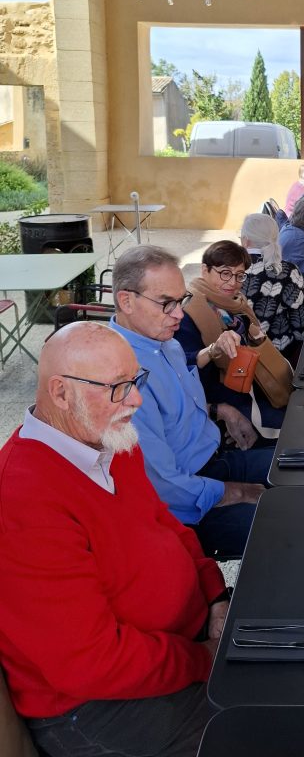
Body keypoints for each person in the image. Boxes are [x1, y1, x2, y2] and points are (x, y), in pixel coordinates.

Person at [0, 322, 227, 757]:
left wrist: (215, 594)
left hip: (176, 647)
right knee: (261, 726)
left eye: (135, 380)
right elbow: (89, 662)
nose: (136, 400)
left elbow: (168, 526)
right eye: (119, 387)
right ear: (61, 393)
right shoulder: (22, 498)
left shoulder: (109, 438)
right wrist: (203, 659)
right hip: (96, 705)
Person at [111, 245, 271, 558]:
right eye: (166, 303)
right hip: (188, 506)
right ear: (126, 301)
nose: (179, 314)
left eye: (180, 300)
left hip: (216, 460)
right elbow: (166, 488)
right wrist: (238, 491)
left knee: (299, 470)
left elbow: (177, 400)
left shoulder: (164, 342)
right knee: (285, 525)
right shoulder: (121, 374)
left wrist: (218, 409)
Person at [174, 239, 287, 436]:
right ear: (204, 270)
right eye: (225, 273)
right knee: (294, 426)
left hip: (256, 387)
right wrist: (211, 352)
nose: (233, 283)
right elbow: (184, 371)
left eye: (239, 275)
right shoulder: (187, 315)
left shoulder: (237, 306)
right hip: (228, 399)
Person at [241, 212, 304, 363]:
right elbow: (302, 327)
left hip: (237, 356)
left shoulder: (229, 271)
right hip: (278, 358)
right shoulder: (287, 271)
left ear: (245, 241)